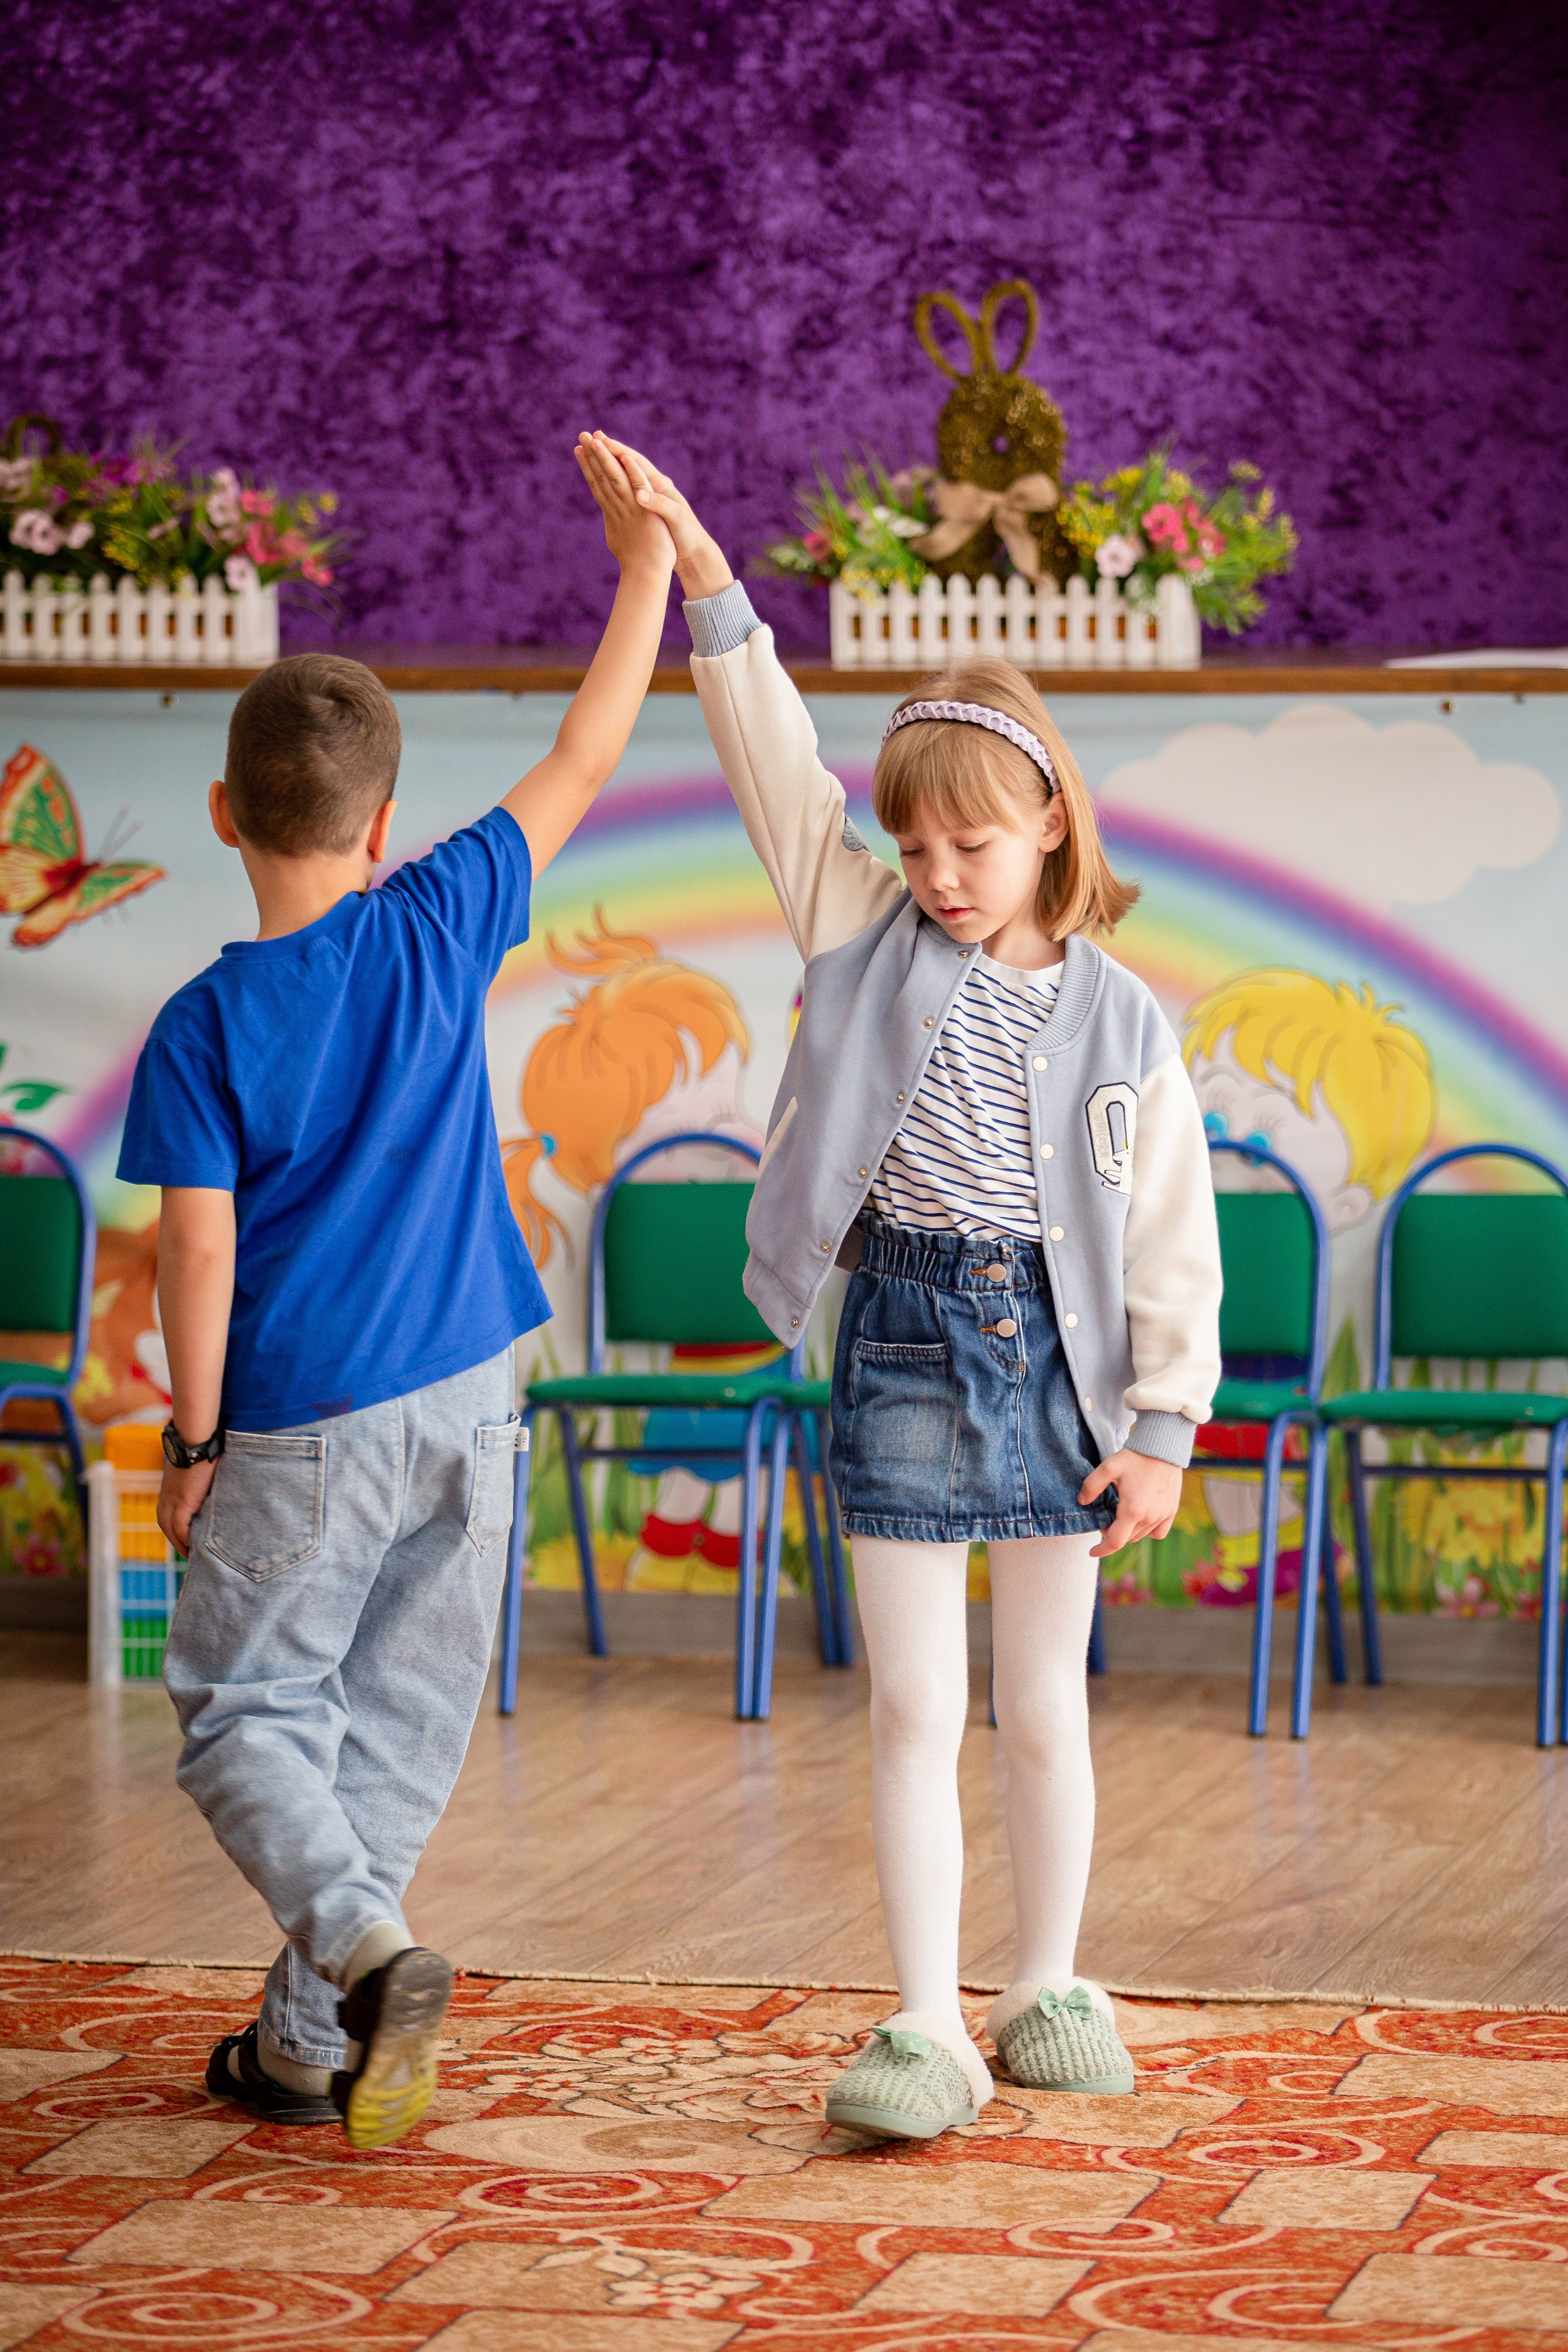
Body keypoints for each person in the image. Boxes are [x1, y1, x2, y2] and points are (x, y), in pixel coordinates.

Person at [603, 439, 1223, 2138]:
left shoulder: (1122, 1018)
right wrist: (706, 575)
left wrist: (1163, 1425)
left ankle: (1048, 1985)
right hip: (897, 1344)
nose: (943, 873)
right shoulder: (856, 930)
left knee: (1042, 1707)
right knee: (911, 1706)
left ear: (1051, 825)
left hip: (1066, 1370)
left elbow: (1169, 1232)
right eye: (919, 844)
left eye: (975, 842)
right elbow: (772, 761)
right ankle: (928, 2019)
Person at [120, 435, 675, 2150]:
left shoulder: (205, 1025)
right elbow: (587, 751)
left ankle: (364, 1949)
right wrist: (646, 567)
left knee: (242, 1714)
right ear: (381, 824)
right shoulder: (438, 913)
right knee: (400, 1731)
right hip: (477, 1399)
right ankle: (308, 2047)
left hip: (305, 1415)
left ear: (227, 814)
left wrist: (191, 1442)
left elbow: (198, 1250)